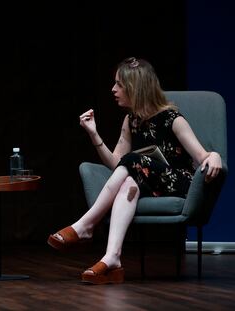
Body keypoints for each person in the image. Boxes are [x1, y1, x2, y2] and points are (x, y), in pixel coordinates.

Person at [47, 57, 222, 285]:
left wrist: (215, 155)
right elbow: (117, 164)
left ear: (135, 88)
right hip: (149, 182)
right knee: (128, 182)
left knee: (131, 163)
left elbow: (201, 157)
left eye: (119, 84)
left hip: (179, 182)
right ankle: (113, 259)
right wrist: (93, 133)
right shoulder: (131, 121)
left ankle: (86, 225)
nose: (113, 89)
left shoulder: (173, 118)